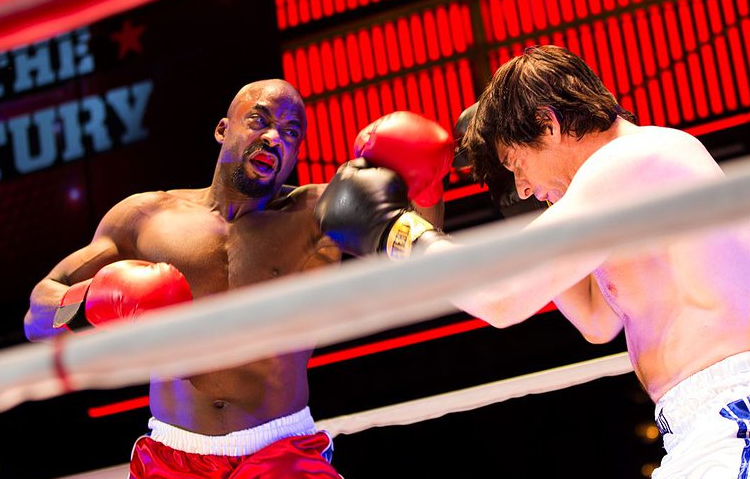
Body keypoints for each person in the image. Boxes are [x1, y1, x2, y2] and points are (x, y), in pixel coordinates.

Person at [314, 45, 750, 479]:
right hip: (703, 423)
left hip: (731, 414)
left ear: (548, 122)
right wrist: (541, 216)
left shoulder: (630, 161)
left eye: (516, 164)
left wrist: (394, 230)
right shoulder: (631, 184)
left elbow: (502, 298)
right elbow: (598, 320)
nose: (521, 189)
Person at [23, 78, 450, 478]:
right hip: (173, 458)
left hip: (282, 454)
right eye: (260, 120)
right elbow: (38, 313)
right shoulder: (146, 217)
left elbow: (422, 270)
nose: (273, 137)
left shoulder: (316, 214)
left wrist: (428, 188)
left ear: (297, 154)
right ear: (222, 129)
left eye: (290, 132)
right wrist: (95, 295)